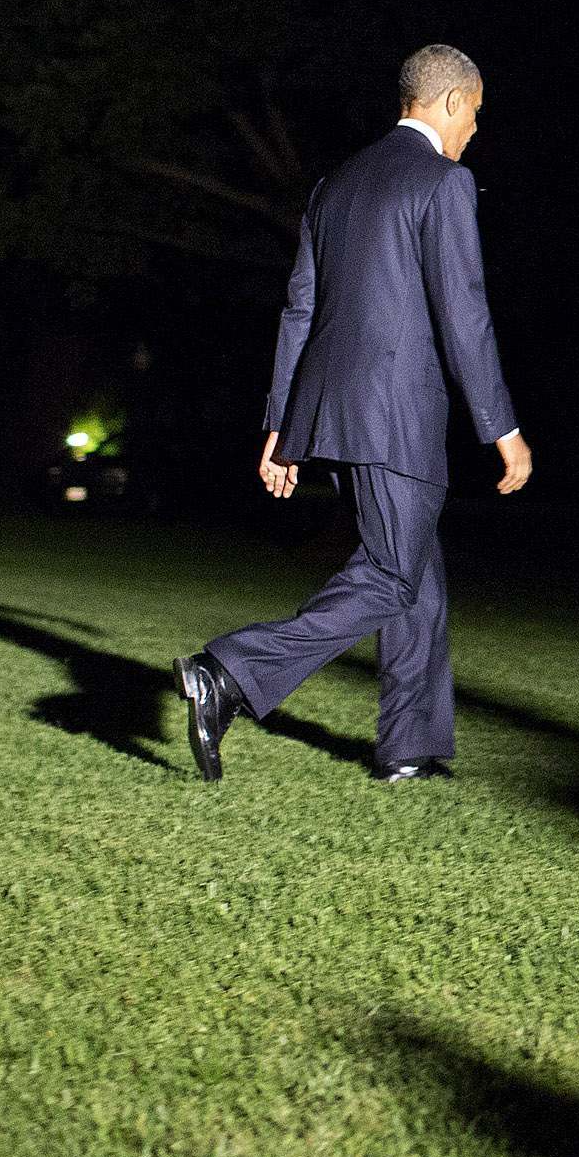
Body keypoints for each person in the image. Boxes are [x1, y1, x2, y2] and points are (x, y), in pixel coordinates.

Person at [173, 44, 532, 783]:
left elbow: (300, 309)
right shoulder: (445, 182)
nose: (475, 133)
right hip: (396, 417)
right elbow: (464, 314)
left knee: (415, 574)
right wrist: (503, 428)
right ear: (453, 102)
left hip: (335, 415)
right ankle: (228, 672)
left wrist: (283, 423)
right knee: (391, 575)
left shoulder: (334, 186)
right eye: (477, 115)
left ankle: (410, 748)